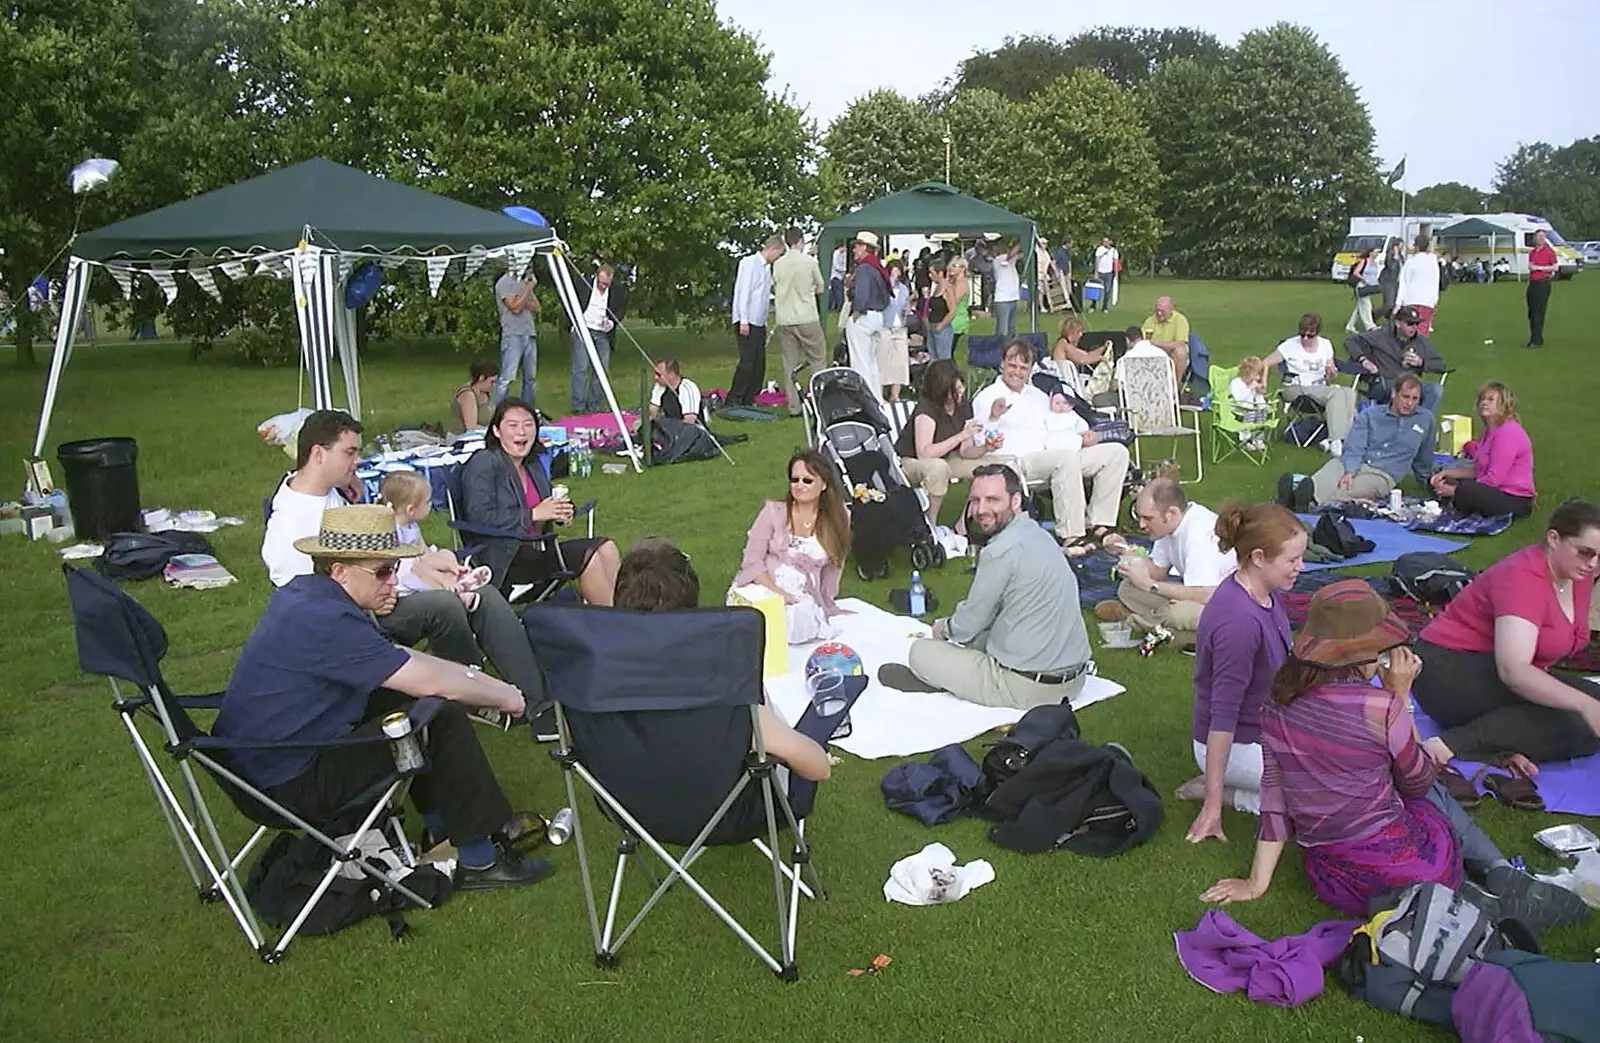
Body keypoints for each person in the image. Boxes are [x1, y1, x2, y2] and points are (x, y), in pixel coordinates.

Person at [1200, 580, 1588, 931]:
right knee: (1432, 795)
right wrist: (1400, 698)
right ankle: (1496, 876)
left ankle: (1486, 886)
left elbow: (1275, 796)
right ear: (1366, 651)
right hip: (1406, 862)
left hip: (1334, 875)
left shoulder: (1277, 704)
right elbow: (1419, 781)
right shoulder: (1378, 706)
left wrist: (1256, 883)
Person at [218, 504, 553, 891]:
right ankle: (480, 860)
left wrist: (481, 683)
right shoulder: (330, 620)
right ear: (339, 569)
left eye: (394, 568)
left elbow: (403, 661)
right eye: (382, 571)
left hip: (256, 766)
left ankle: (439, 830)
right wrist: (505, 695)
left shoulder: (308, 596)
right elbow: (426, 679)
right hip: (287, 783)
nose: (394, 581)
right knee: (436, 715)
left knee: (400, 699)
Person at [262, 410, 551, 732]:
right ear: (318, 453)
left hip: (381, 586)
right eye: (350, 452)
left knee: (480, 593)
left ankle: (535, 701)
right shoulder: (289, 525)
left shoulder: (326, 490)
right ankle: (475, 696)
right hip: (355, 618)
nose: (357, 461)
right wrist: (370, 600)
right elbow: (304, 605)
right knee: (446, 604)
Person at [616, 537, 831, 782]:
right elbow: (817, 767)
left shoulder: (594, 678)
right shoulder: (725, 681)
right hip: (724, 813)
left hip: (624, 807)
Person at [881, 465, 1093, 709]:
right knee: (982, 638)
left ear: (1015, 501)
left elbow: (967, 625)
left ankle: (940, 680)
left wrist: (943, 628)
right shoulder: (1040, 535)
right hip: (1074, 679)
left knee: (920, 652)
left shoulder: (999, 551)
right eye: (975, 500)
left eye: (992, 500)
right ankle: (953, 676)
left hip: (1029, 688)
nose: (981, 510)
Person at [1411, 499, 1600, 765]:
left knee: (1587, 714)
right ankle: (1449, 746)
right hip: (1448, 671)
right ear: (1554, 539)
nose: (1593, 563)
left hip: (1496, 669)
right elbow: (1514, 672)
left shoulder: (1578, 574)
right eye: (1585, 552)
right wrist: (1584, 705)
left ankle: (1504, 744)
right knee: (1579, 722)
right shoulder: (1523, 578)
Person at [1178, 503, 1303, 843]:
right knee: (1320, 792)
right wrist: (1214, 807)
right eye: (1292, 560)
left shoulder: (1267, 594)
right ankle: (1227, 793)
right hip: (1238, 744)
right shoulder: (1238, 623)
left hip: (1267, 730)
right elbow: (1223, 718)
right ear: (1259, 557)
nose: (1300, 568)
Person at [969, 339, 1130, 551]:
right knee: (1064, 459)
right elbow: (981, 441)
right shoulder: (986, 397)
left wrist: (1081, 436)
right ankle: (1072, 534)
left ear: (1030, 370)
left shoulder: (1038, 396)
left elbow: (1055, 426)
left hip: (1051, 453)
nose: (1017, 372)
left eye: (1023, 368)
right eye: (1012, 365)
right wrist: (993, 416)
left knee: (1116, 452)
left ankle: (1100, 524)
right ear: (1002, 364)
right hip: (1014, 461)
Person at [458, 398, 621, 606]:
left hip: (535, 552)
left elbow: (544, 505)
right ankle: (617, 624)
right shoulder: (485, 462)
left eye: (528, 424)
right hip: (502, 560)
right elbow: (479, 517)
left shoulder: (532, 464)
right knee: (589, 558)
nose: (522, 432)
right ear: (497, 431)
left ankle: (621, 613)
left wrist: (561, 510)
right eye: (513, 425)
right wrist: (533, 514)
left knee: (607, 548)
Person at [732, 449, 851, 643]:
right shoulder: (772, 512)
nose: (799, 485)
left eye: (807, 480)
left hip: (805, 596)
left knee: (806, 622)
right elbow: (752, 561)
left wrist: (827, 603)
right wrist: (779, 595)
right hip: (766, 589)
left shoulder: (839, 517)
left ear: (824, 485)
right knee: (787, 625)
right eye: (795, 480)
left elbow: (834, 567)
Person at [1097, 479, 1238, 642]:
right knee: (1127, 588)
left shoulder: (1200, 535)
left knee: (1178, 614)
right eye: (1139, 517)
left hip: (1227, 606)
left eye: (1147, 518)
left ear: (1171, 513)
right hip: (1200, 597)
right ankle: (1159, 624)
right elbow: (1158, 570)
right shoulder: (1168, 527)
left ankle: (1135, 621)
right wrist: (1127, 554)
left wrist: (1149, 585)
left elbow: (1206, 595)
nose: (1141, 525)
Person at [1286, 372, 1435, 510]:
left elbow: (1424, 457)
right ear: (1394, 394)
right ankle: (1303, 494)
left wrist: (1429, 482)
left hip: (1383, 473)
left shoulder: (1426, 420)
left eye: (1414, 399)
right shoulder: (1371, 415)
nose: (1409, 403)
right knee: (1331, 472)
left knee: (1348, 490)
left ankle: (1306, 502)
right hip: (1356, 460)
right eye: (1405, 397)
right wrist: (1350, 470)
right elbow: (1355, 445)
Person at [895, 360, 988, 529]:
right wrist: (960, 435)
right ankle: (930, 525)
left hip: (947, 459)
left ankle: (962, 525)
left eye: (961, 388)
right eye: (955, 391)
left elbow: (966, 451)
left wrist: (986, 447)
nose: (961, 393)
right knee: (937, 468)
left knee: (987, 467)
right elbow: (924, 453)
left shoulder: (962, 405)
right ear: (942, 390)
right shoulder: (927, 409)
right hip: (910, 462)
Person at [1429, 380, 1535, 518]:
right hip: (1490, 489)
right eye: (1482, 399)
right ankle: (1454, 498)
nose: (1484, 403)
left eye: (1491, 399)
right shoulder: (1489, 431)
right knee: (1437, 477)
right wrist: (1445, 473)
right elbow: (1479, 470)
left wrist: (1455, 491)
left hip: (1512, 497)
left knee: (1467, 489)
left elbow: (1493, 480)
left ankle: (1455, 499)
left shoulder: (1508, 432)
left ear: (1503, 405)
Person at [1262, 313, 1358, 456]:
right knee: (1336, 393)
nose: (1305, 338)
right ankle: (1336, 440)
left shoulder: (1325, 345)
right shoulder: (1289, 345)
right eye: (1302, 334)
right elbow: (1265, 363)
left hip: (1319, 388)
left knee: (1349, 393)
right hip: (1295, 389)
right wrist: (1263, 382)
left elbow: (1331, 377)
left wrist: (1331, 373)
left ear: (1317, 333)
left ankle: (1339, 439)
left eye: (1310, 336)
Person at [1343, 304, 1448, 414]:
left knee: (1435, 389)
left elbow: (1441, 365)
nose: (1414, 327)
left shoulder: (1421, 342)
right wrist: (1363, 360)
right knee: (1402, 390)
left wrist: (1421, 362)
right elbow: (1350, 342)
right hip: (1385, 384)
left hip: (1411, 385)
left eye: (1416, 324)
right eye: (1410, 323)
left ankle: (1420, 422)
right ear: (1398, 323)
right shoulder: (1381, 335)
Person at [772, 227, 829, 416]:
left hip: (785, 318)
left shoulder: (778, 264)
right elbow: (821, 287)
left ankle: (794, 406)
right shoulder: (809, 262)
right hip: (807, 316)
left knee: (789, 362)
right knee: (817, 359)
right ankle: (819, 402)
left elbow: (775, 285)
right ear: (801, 241)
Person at [729, 235, 783, 407]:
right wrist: (743, 319)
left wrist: (765, 322)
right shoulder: (750, 263)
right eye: (779, 254)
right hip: (747, 320)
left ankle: (750, 396)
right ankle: (735, 397)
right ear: (773, 249)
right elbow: (744, 292)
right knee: (747, 361)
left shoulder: (767, 269)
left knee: (759, 362)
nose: (778, 258)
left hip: (758, 321)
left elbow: (763, 298)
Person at [570, 263, 627, 414]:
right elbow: (570, 301)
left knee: (601, 369)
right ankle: (578, 406)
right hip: (583, 329)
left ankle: (593, 405)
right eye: (601, 283)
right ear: (596, 276)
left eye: (606, 284)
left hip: (602, 333)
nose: (603, 286)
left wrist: (612, 322)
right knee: (580, 368)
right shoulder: (584, 284)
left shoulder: (616, 290)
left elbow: (621, 308)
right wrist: (573, 323)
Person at [844, 231, 891, 398]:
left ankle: (864, 401)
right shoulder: (877, 267)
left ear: (864, 247)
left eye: (857, 246)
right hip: (877, 316)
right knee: (871, 363)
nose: (854, 249)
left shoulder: (864, 268)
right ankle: (876, 399)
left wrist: (856, 312)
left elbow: (862, 296)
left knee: (860, 364)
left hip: (864, 317)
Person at [493, 264, 539, 405]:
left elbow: (537, 307)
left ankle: (527, 409)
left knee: (530, 377)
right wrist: (527, 290)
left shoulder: (523, 284)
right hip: (512, 335)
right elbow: (514, 308)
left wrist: (521, 298)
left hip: (529, 333)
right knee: (507, 378)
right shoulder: (504, 283)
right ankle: (498, 410)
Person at [1043, 314, 1110, 402]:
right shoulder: (1064, 344)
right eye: (1079, 332)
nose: (1081, 335)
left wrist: (1103, 348)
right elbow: (1083, 360)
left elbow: (1087, 355)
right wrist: (1101, 358)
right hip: (1067, 382)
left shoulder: (1065, 344)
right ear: (1071, 332)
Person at [878, 261, 912, 403]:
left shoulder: (904, 289)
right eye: (893, 271)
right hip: (885, 328)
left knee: (900, 363)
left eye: (898, 271)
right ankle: (879, 394)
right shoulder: (883, 288)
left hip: (900, 328)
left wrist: (907, 308)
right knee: (882, 362)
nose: (895, 274)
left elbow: (906, 304)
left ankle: (895, 395)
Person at [1140, 296, 1191, 389]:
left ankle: (1174, 386)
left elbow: (1179, 343)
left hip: (1171, 353)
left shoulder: (1180, 320)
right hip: (1152, 354)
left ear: (1171, 309)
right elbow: (1142, 339)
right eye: (1157, 310)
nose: (1159, 313)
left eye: (1162, 311)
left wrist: (1157, 344)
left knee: (1180, 351)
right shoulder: (1150, 321)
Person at [1396, 234, 1441, 335]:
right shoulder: (1433, 261)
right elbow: (1436, 281)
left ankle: (1410, 349)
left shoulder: (1409, 262)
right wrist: (1435, 300)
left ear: (1415, 246)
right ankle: (1418, 349)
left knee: (1408, 330)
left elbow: (1403, 284)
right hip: (1427, 300)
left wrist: (1398, 303)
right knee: (1422, 330)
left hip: (1410, 299)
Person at [1228, 355, 1270, 452]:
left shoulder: (1253, 382)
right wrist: (1250, 387)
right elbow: (1239, 398)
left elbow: (1258, 398)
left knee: (1261, 414)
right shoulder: (1236, 383)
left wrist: (1262, 400)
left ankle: (1257, 438)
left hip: (1252, 408)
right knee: (1250, 415)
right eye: (1255, 374)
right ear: (1247, 373)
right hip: (1239, 408)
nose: (1258, 377)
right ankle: (1245, 440)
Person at [1526, 228, 1559, 348]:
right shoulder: (1532, 252)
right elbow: (1530, 267)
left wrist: (1539, 268)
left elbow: (1555, 267)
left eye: (1543, 237)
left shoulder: (1549, 251)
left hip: (1542, 283)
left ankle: (1536, 340)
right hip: (1532, 283)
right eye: (1538, 236)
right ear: (1535, 238)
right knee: (1531, 312)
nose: (1540, 238)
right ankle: (1534, 337)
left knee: (1538, 312)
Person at [449, 359, 498, 434]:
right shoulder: (467, 395)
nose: (494, 385)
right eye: (492, 382)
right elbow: (471, 427)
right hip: (461, 438)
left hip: (481, 435)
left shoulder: (487, 392)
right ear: (481, 378)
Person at [648, 357, 702, 425]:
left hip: (694, 432)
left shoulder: (687, 388)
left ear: (671, 375)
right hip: (671, 430)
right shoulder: (659, 387)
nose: (655, 377)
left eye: (659, 375)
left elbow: (689, 421)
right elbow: (652, 414)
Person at [924, 260, 954, 361]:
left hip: (942, 329)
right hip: (932, 326)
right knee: (933, 359)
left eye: (932, 273)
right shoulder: (935, 287)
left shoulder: (947, 288)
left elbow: (953, 310)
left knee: (943, 360)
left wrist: (941, 325)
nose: (930, 276)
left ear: (940, 273)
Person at [1345, 248, 1381, 333]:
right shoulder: (1364, 261)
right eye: (1376, 252)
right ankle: (1370, 326)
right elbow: (1356, 272)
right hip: (1361, 287)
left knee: (1359, 309)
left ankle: (1350, 326)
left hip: (1369, 288)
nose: (1377, 254)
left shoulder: (1375, 263)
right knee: (1367, 306)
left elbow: (1374, 276)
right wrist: (1364, 279)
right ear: (1370, 253)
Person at [991, 240, 1022, 338]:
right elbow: (1012, 254)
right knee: (1003, 330)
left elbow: (1021, 255)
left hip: (1012, 298)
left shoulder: (1011, 260)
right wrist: (1023, 240)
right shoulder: (998, 260)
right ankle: (999, 348)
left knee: (1012, 329)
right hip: (1002, 299)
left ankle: (1010, 348)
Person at [944, 255, 971, 358]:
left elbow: (952, 302)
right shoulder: (955, 282)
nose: (951, 268)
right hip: (953, 319)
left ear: (963, 268)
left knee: (948, 353)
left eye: (955, 266)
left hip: (957, 321)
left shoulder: (961, 283)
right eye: (951, 265)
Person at [1377, 237, 1403, 319]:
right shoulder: (1390, 254)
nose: (1402, 247)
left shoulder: (1401, 256)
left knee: (1396, 304)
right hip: (1387, 281)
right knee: (1389, 304)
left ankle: (1391, 321)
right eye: (1401, 245)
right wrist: (1395, 256)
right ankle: (1373, 315)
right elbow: (1391, 267)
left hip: (1396, 282)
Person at [1092, 237, 1117, 312]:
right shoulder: (1100, 249)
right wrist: (1096, 272)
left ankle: (1105, 307)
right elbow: (1097, 260)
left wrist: (1116, 273)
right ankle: (1093, 306)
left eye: (1107, 241)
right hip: (1100, 272)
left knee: (1107, 290)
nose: (1105, 243)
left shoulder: (1113, 251)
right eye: (1104, 241)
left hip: (1108, 273)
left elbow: (1115, 262)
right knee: (1096, 289)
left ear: (1110, 242)